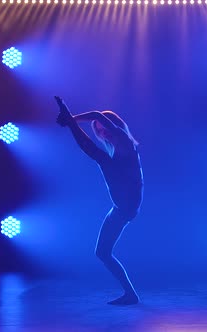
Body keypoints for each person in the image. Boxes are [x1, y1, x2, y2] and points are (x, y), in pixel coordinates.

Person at [54, 96, 143, 305]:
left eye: (103, 128)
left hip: (127, 205)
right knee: (102, 252)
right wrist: (71, 124)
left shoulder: (125, 140)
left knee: (98, 156)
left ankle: (131, 295)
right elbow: (88, 145)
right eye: (99, 131)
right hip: (120, 206)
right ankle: (130, 294)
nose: (101, 132)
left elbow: (96, 115)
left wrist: (71, 118)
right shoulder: (112, 151)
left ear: (113, 125)